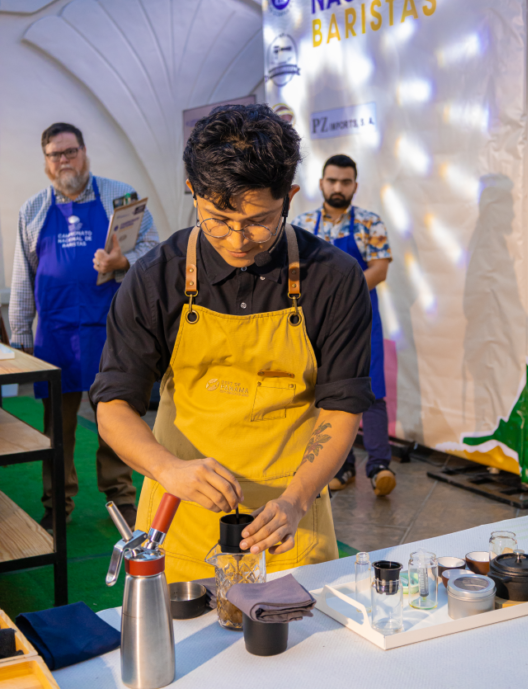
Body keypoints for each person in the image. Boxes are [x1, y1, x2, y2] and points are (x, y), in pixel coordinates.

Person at [90, 104, 374, 582]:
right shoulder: (156, 276)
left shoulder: (333, 277)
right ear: (193, 193)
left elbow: (342, 406)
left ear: (290, 197)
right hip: (178, 519)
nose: (238, 240)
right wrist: (168, 470)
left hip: (289, 522)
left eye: (260, 221)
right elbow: (113, 406)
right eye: (218, 218)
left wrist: (297, 500)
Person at [9, 122, 159, 531]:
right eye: (56, 154)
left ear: (84, 151)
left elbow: (153, 249)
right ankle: (57, 503)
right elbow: (23, 279)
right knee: (57, 428)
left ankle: (122, 497)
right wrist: (20, 341)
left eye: (70, 151)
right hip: (55, 335)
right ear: (46, 162)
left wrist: (120, 263)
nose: (64, 160)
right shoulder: (33, 210)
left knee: (118, 418)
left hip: (111, 332)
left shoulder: (120, 197)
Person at [293, 154, 396, 497]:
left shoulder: (370, 222)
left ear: (355, 185)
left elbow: (379, 270)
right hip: (318, 319)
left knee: (374, 389)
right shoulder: (302, 225)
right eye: (332, 180)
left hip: (364, 317)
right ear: (322, 183)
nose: (338, 187)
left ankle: (380, 466)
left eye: (345, 181)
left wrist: (341, 293)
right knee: (330, 390)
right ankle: (342, 466)